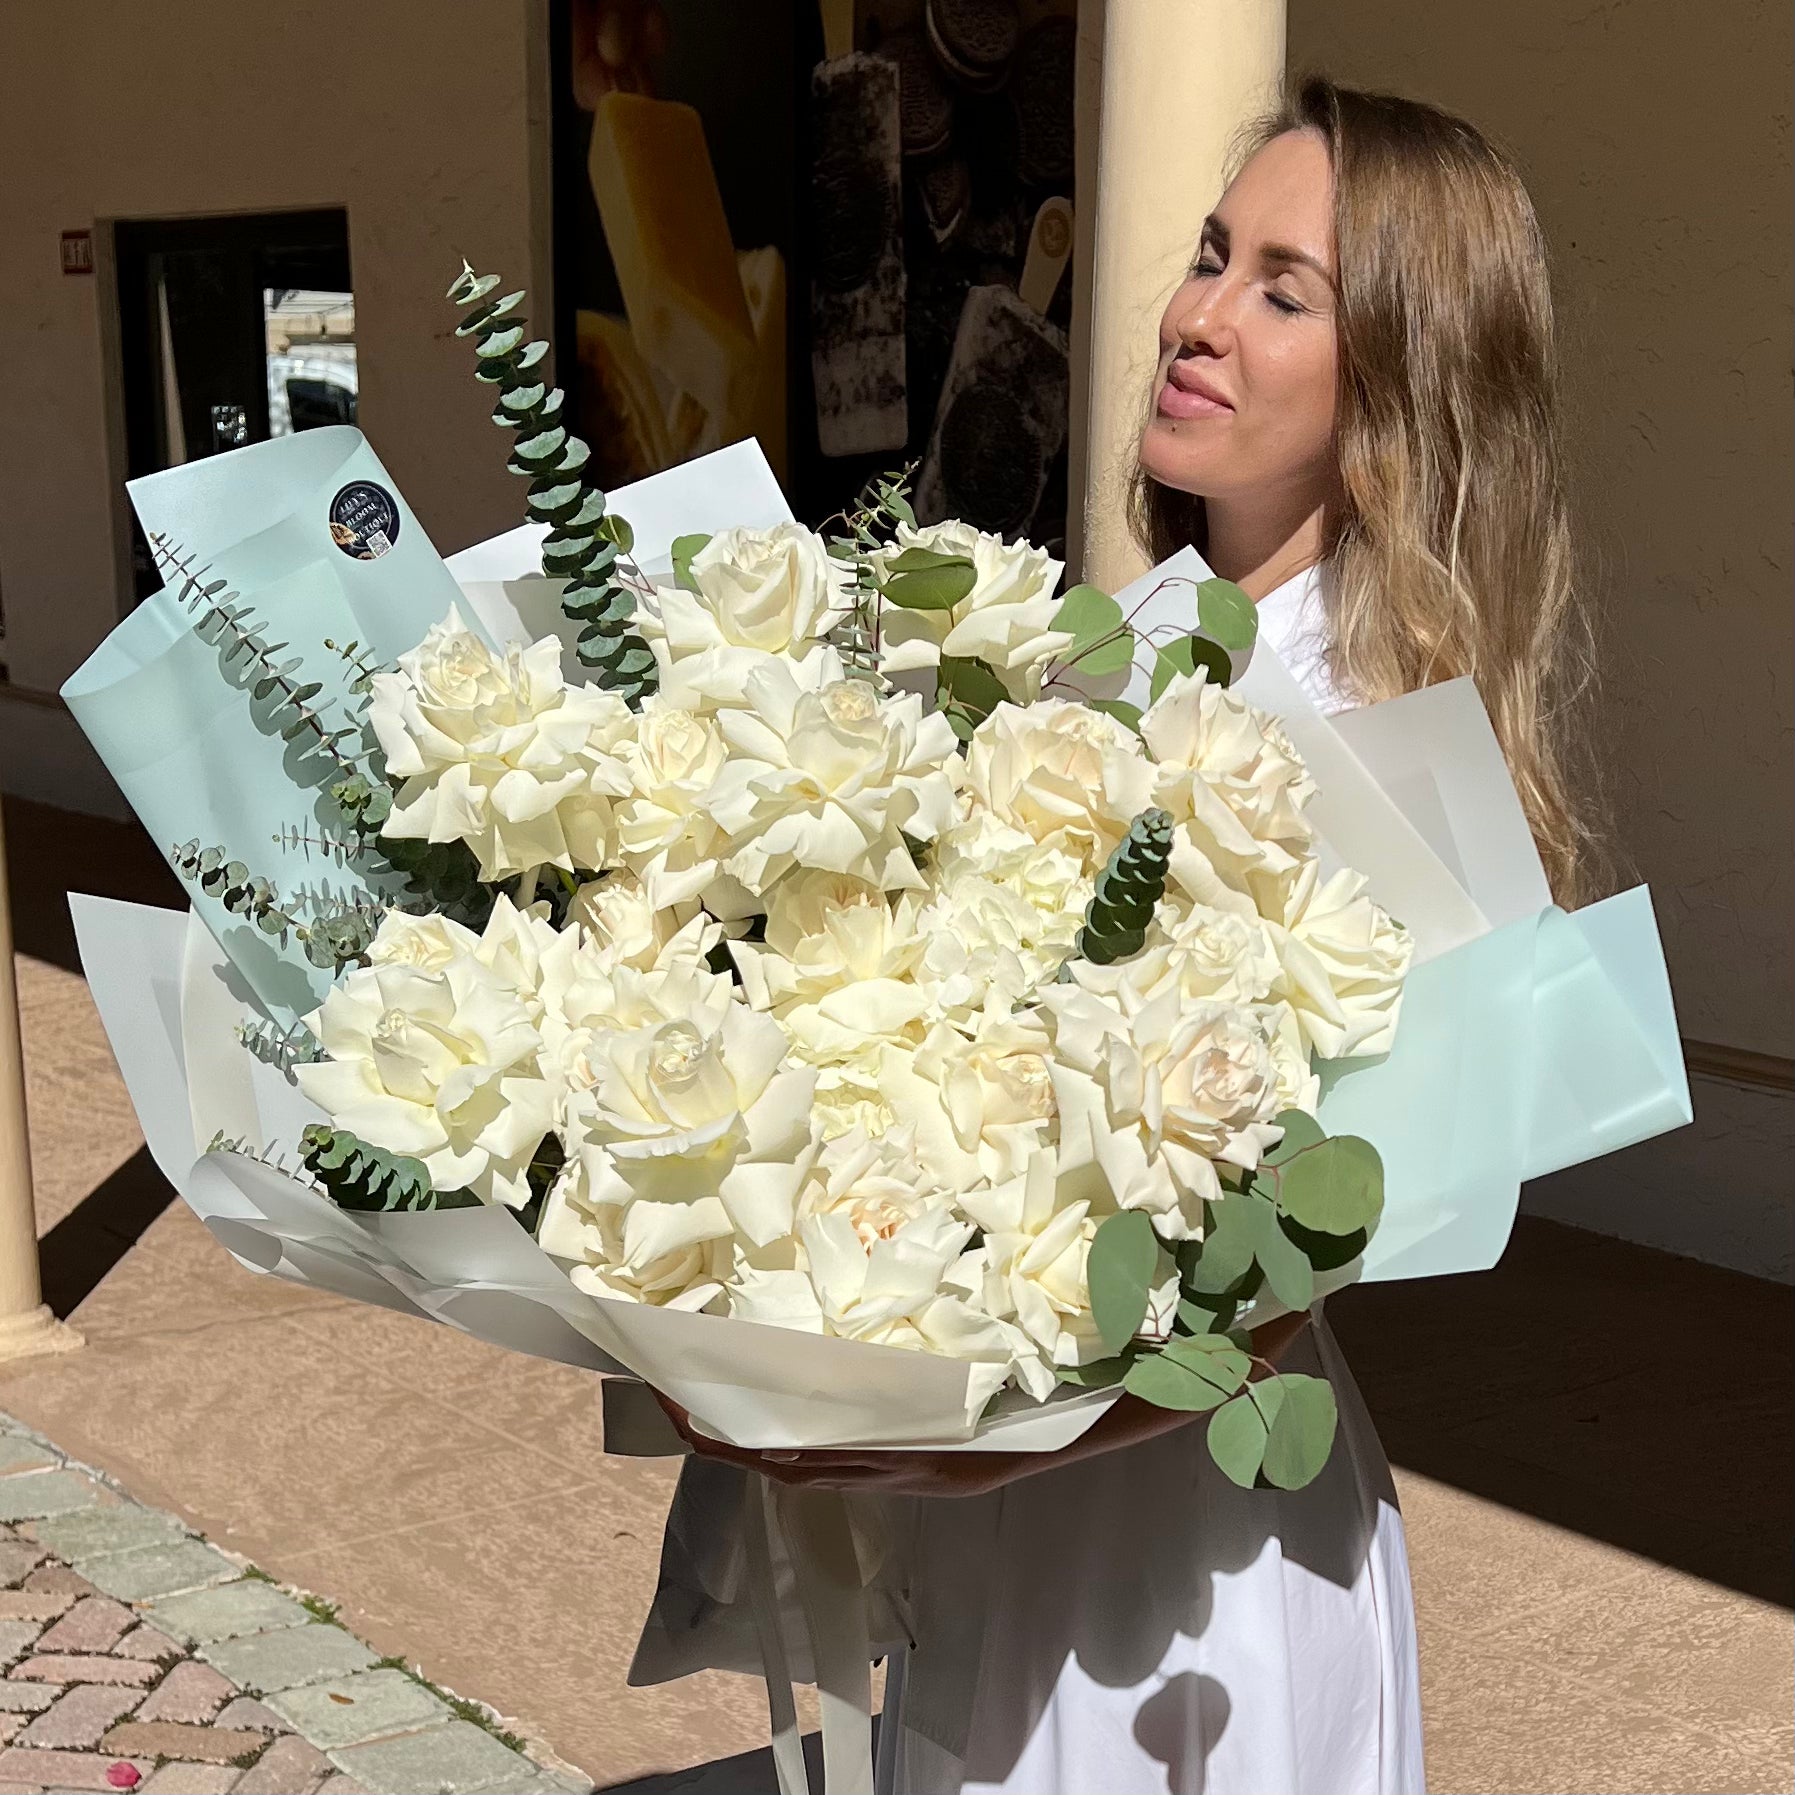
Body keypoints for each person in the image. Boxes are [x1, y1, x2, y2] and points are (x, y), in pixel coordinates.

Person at [649, 73, 1597, 1794]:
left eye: (1283, 291)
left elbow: (1279, 1300)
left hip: (1187, 1582)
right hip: (993, 1528)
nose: (1199, 317)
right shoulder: (1112, 643)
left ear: (1402, 378)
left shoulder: (1394, 750)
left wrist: (950, 1460)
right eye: (1212, 257)